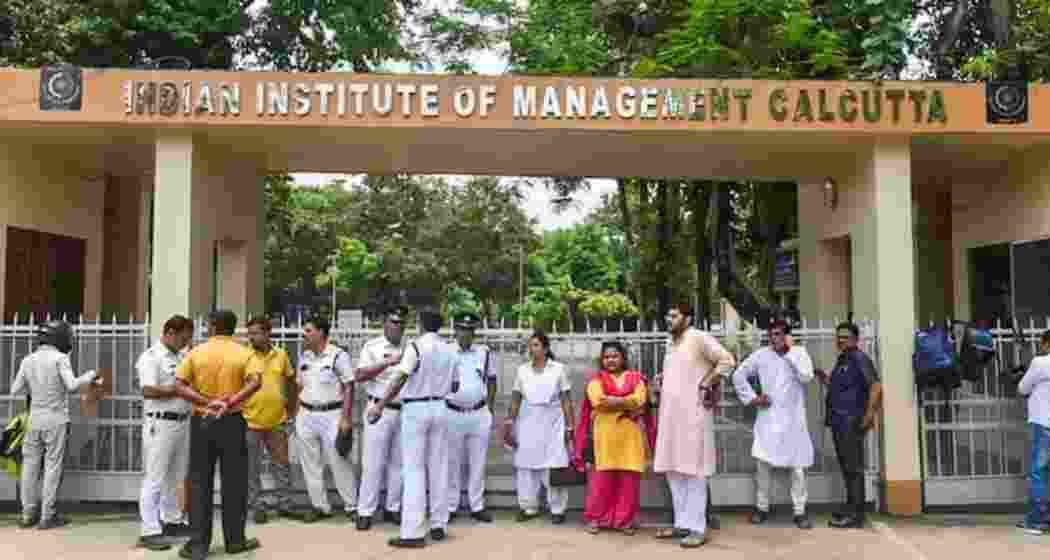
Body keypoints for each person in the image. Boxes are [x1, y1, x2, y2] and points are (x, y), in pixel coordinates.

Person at [174, 310, 262, 560]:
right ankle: (235, 541)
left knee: (200, 482)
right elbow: (255, 382)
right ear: (233, 329)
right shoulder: (244, 353)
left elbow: (178, 385)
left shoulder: (196, 353)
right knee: (234, 482)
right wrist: (229, 402)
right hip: (232, 420)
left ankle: (198, 545)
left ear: (212, 326)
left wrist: (206, 401)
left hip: (203, 420)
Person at [369, 305, 458, 548]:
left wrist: (380, 405)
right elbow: (456, 385)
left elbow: (400, 378)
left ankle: (413, 532)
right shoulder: (451, 349)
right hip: (441, 407)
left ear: (420, 323)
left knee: (414, 469)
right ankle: (439, 523)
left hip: (416, 409)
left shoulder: (416, 347)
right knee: (439, 466)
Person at [652, 304, 735, 548]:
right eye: (667, 314)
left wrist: (707, 383)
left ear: (687, 318)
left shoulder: (698, 338)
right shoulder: (671, 343)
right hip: (670, 417)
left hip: (694, 415)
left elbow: (727, 361)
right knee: (673, 470)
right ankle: (682, 524)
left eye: (674, 315)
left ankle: (698, 528)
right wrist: (662, 380)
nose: (669, 319)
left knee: (695, 471)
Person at [10, 320, 102, 530]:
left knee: (30, 467)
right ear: (60, 338)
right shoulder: (61, 359)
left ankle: (27, 514)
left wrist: (37, 391)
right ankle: (47, 515)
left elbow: (16, 389)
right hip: (56, 420)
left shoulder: (28, 360)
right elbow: (71, 386)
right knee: (52, 467)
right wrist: (89, 376)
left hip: (34, 419)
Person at [731, 319, 815, 530]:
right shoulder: (761, 355)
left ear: (787, 336)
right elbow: (738, 374)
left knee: (797, 468)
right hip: (768, 418)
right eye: (771, 334)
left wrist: (790, 353)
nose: (773, 338)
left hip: (794, 420)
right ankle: (762, 508)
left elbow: (806, 377)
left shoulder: (799, 353)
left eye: (777, 334)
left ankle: (799, 511)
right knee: (763, 465)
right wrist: (753, 398)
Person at [814, 321, 882, 529]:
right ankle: (852, 507)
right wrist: (824, 379)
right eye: (838, 336)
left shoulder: (858, 358)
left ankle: (856, 515)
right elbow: (841, 388)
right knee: (847, 468)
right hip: (838, 421)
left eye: (845, 336)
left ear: (855, 339)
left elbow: (876, 386)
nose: (840, 339)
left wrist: (869, 415)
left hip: (850, 422)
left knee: (853, 469)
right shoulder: (843, 360)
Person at [578, 340, 649, 535]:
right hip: (604, 438)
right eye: (607, 357)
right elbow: (598, 401)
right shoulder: (596, 380)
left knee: (628, 481)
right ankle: (596, 518)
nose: (610, 360)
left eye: (615, 356)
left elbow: (640, 399)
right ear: (601, 360)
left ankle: (624, 521)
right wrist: (626, 402)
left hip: (630, 438)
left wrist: (614, 400)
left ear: (623, 358)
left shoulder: (636, 378)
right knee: (601, 481)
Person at [136, 315, 195, 551]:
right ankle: (150, 529)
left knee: (175, 476)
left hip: (181, 423)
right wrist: (179, 390)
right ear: (169, 332)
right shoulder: (151, 357)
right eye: (183, 338)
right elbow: (148, 390)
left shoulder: (182, 357)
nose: (185, 342)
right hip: (160, 425)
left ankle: (171, 520)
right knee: (155, 477)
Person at [505, 330, 575, 525]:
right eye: (530, 345)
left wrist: (570, 427)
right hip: (527, 422)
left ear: (545, 348)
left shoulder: (558, 369)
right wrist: (509, 423)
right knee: (526, 466)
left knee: (554, 464)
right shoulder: (522, 370)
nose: (532, 349)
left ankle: (558, 509)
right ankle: (528, 507)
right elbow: (516, 398)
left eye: (536, 345)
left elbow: (566, 400)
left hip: (553, 422)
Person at [295, 315, 358, 523]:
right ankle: (320, 506)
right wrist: (296, 414)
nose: (304, 334)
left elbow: (349, 385)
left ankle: (352, 505)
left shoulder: (338, 355)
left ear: (321, 333)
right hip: (306, 414)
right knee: (310, 464)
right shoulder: (304, 356)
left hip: (332, 414)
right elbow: (300, 386)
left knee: (339, 460)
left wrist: (346, 418)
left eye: (308, 330)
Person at [354, 306, 407, 530]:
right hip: (378, 409)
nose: (398, 326)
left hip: (405, 410)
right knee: (373, 463)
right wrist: (387, 362)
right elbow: (359, 375)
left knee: (399, 464)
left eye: (401, 323)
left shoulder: (410, 347)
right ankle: (365, 511)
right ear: (384, 323)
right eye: (394, 322)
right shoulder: (372, 347)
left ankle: (392, 508)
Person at [242, 316, 298, 525]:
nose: (251, 337)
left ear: (267, 334)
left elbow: (291, 383)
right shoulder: (245, 356)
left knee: (282, 464)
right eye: (250, 333)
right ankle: (256, 505)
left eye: (255, 333)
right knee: (251, 468)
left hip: (277, 421)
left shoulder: (281, 355)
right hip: (250, 421)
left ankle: (285, 503)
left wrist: (291, 411)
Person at [446, 311, 496, 523]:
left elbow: (492, 380)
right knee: (452, 462)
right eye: (462, 329)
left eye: (469, 330)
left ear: (474, 332)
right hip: (452, 412)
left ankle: (477, 505)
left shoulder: (483, 352)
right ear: (455, 330)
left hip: (479, 413)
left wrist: (490, 408)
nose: (465, 333)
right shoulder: (446, 351)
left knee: (478, 462)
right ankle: (450, 505)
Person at [1015, 330, 1050, 534]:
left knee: (1039, 472)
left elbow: (1022, 388)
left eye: (1041, 344)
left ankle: (1038, 521)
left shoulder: (1040, 363)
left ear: (1046, 344)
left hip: (1044, 424)